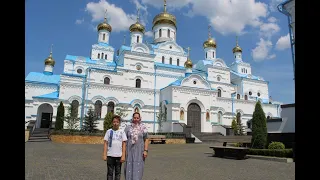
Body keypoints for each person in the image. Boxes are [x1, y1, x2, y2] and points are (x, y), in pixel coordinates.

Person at [124, 112, 149, 180]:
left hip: (139, 152)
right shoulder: (128, 128)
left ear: (140, 119)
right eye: (134, 118)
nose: (136, 119)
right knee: (129, 167)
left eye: (137, 118)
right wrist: (123, 152)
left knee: (138, 167)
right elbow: (124, 140)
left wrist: (146, 150)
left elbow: (146, 139)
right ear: (132, 118)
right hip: (129, 151)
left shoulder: (143, 128)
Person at [102, 115, 127, 180]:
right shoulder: (108, 131)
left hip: (119, 156)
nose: (115, 123)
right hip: (110, 155)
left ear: (119, 123)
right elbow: (105, 143)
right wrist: (104, 154)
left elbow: (124, 144)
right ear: (112, 123)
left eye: (117, 122)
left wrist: (123, 155)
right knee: (110, 173)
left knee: (118, 173)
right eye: (114, 122)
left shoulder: (122, 132)